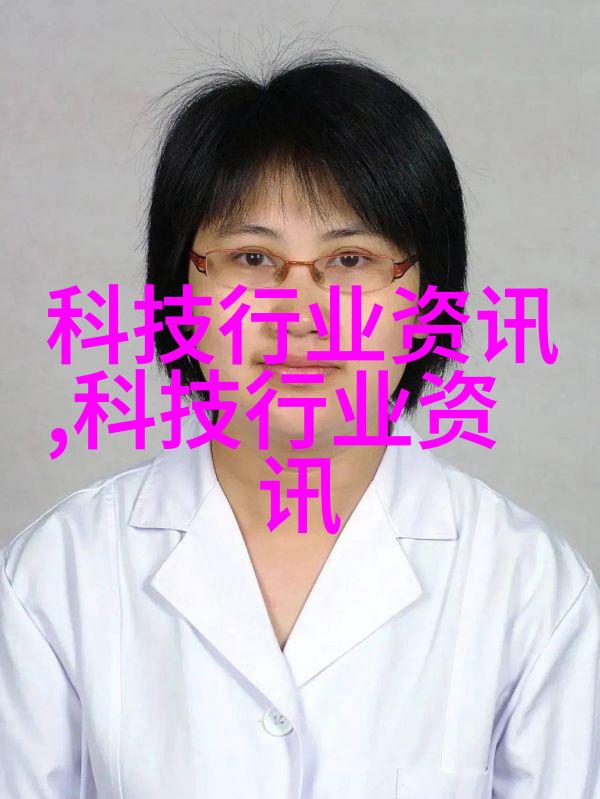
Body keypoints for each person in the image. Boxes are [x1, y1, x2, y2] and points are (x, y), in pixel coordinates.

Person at [1, 52, 599, 799]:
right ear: (178, 291)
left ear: (428, 299)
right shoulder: (56, 577)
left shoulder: (530, 591)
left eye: (351, 260)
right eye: (252, 257)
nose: (302, 312)